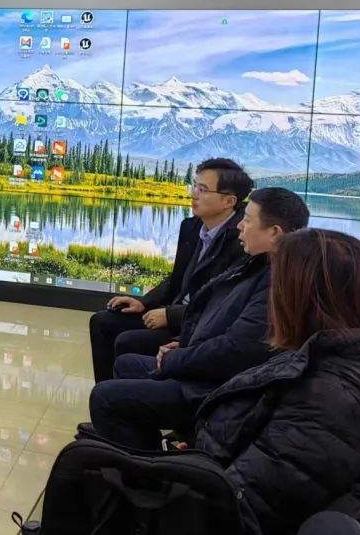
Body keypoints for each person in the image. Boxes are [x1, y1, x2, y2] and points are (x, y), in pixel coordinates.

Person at [195, 229, 360, 535]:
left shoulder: (329, 398)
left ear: (304, 299)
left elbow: (240, 507)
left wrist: (189, 470)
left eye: (277, 285)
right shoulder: (340, 360)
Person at [87, 187, 309, 449]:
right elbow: (218, 316)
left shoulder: (278, 283)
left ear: (274, 232)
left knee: (105, 397)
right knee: (125, 364)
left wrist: (177, 358)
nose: (240, 225)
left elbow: (235, 350)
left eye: (248, 220)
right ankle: (146, 447)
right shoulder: (257, 264)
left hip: (221, 391)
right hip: (210, 372)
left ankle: (145, 466)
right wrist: (185, 343)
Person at [89, 158, 253, 382]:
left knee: (128, 341)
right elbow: (177, 277)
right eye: (194, 186)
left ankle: (127, 397)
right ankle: (106, 394)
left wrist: (170, 316)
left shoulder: (242, 241)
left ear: (228, 201)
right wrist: (145, 302)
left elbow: (222, 304)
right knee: (102, 322)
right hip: (177, 311)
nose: (193, 194)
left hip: (200, 325)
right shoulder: (192, 226)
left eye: (202, 189)